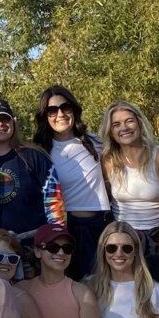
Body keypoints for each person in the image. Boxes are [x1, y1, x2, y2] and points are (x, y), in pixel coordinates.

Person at [34, 87, 110, 280]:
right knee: (83, 284)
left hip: (105, 223)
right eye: (52, 110)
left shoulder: (95, 142)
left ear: (74, 109)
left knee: (109, 284)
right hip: (71, 228)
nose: (60, 114)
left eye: (65, 107)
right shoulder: (40, 152)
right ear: (45, 116)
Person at [99, 102, 159, 254]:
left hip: (156, 235)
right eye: (116, 124)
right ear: (110, 132)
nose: (124, 128)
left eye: (129, 121)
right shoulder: (107, 161)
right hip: (120, 237)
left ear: (139, 123)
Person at [0, 99, 55, 241]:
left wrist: (53, 241)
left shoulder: (35, 156)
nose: (1, 124)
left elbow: (55, 204)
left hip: (33, 249)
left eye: (5, 119)